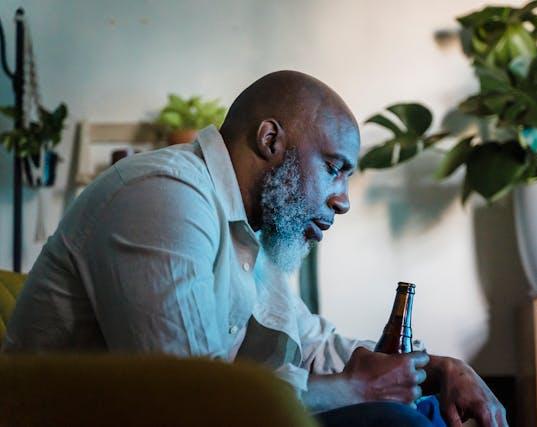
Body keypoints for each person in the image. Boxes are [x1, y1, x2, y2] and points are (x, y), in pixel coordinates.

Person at [3, 71, 507, 427]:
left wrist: (441, 369)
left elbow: (316, 344)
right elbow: (188, 400)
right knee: (394, 423)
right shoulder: (164, 197)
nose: (343, 200)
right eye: (335, 168)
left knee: (426, 411)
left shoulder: (255, 235)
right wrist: (358, 389)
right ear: (270, 140)